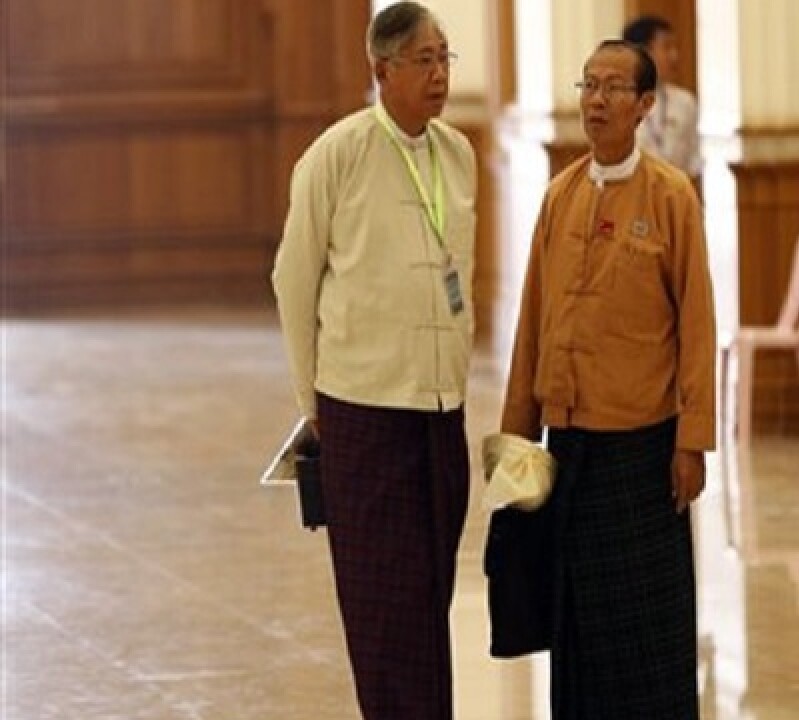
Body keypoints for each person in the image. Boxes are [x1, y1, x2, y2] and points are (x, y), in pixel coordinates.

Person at [499, 39, 716, 720]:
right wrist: (515, 444)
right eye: (588, 85)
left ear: (646, 104)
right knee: (579, 628)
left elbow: (699, 327)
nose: (596, 100)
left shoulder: (672, 197)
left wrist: (693, 440)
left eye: (614, 88)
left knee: (646, 630)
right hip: (570, 444)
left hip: (643, 450)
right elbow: (531, 324)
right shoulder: (560, 196)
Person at [271, 3, 477, 718]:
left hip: (440, 412)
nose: (440, 73)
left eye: (445, 57)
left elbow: (461, 276)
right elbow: (293, 280)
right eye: (424, 59)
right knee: (384, 611)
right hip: (363, 412)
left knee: (429, 603)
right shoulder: (338, 152)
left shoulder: (457, 153)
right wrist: (313, 405)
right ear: (381, 69)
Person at [622, 15, 703, 179]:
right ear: (643, 53)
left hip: (677, 197)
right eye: (666, 48)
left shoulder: (685, 102)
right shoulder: (618, 104)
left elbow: (694, 164)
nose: (674, 56)